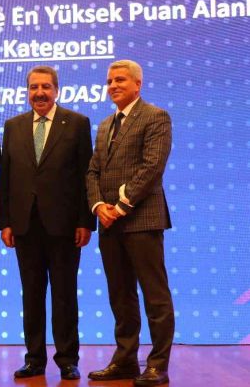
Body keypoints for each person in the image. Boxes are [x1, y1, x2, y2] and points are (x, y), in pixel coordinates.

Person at [0, 66, 95, 380]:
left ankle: (67, 359)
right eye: (34, 87)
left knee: (64, 295)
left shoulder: (77, 123)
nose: (39, 93)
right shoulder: (13, 126)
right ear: (27, 91)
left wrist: (86, 221)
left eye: (46, 87)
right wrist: (5, 222)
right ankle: (34, 359)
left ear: (56, 90)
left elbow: (86, 176)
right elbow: (6, 177)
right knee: (32, 295)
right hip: (25, 226)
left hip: (65, 226)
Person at [86, 60, 174, 386]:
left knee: (155, 296)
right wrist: (98, 206)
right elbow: (93, 171)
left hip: (142, 220)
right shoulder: (105, 125)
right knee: (120, 296)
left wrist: (121, 206)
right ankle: (125, 361)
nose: (113, 85)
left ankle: (157, 365)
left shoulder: (155, 116)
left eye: (120, 80)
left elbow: (152, 167)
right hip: (109, 224)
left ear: (138, 84)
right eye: (109, 81)